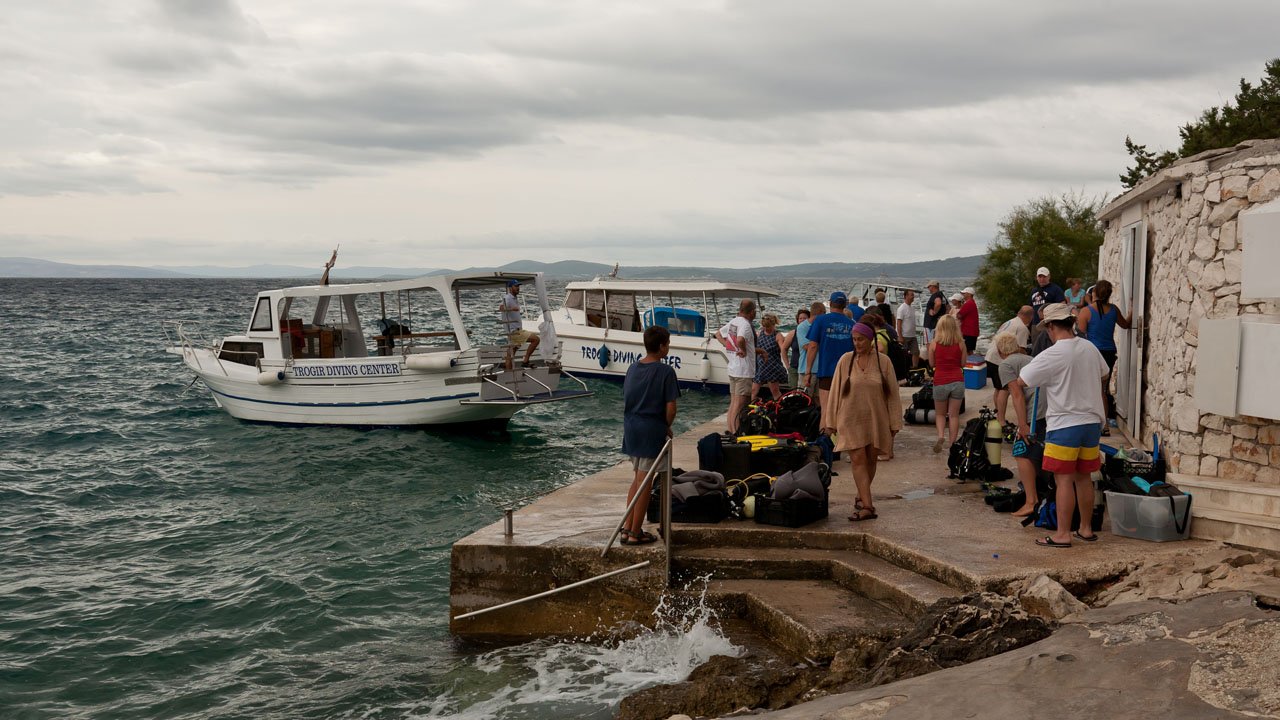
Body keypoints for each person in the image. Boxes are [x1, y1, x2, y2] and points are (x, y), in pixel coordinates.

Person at [1007, 303, 1109, 548]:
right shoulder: (1089, 348)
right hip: (1092, 423)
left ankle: (1062, 534)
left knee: (1063, 480)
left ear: (1051, 326)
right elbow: (1104, 374)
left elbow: (1021, 382)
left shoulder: (1051, 354)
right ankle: (1085, 529)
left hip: (1064, 425)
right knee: (1084, 478)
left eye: (1047, 328)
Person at [822, 322, 902, 522]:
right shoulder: (845, 360)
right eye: (854, 340)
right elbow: (835, 392)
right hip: (850, 419)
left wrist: (894, 423)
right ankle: (868, 506)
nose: (857, 344)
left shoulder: (884, 362)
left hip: (876, 419)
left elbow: (893, 395)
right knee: (857, 459)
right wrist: (830, 421)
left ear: (870, 340)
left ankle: (861, 494)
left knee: (871, 460)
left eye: (861, 340)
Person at [620, 326, 678, 546]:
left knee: (637, 479)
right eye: (668, 343)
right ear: (662, 346)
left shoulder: (632, 368)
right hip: (650, 430)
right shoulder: (665, 372)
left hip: (631, 427)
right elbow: (671, 408)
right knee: (645, 482)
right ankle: (635, 532)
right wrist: (666, 425)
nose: (669, 347)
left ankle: (627, 528)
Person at [999, 333, 1046, 518]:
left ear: (1000, 350)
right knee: (1039, 452)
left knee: (1021, 452)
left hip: (1037, 411)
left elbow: (1016, 395)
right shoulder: (1031, 358)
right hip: (1051, 408)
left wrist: (1022, 424)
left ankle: (1031, 501)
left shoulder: (1006, 364)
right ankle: (1040, 493)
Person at [1076, 280, 1131, 429]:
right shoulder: (1114, 310)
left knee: (1088, 387)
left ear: (1094, 293)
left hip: (1092, 352)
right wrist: (1132, 312)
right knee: (1102, 388)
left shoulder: (1086, 311)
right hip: (1109, 351)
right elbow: (1125, 325)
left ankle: (1087, 421)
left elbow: (1080, 334)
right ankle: (1105, 424)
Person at [715, 299, 762, 434]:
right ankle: (736, 433)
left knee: (733, 403)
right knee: (740, 405)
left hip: (733, 368)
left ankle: (731, 430)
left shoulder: (733, 321)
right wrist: (742, 350)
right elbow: (741, 339)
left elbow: (718, 334)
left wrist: (727, 345)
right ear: (752, 312)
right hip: (743, 371)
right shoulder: (745, 325)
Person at [984, 306, 1034, 426]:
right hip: (1001, 359)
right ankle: (1001, 420)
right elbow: (1020, 349)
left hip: (990, 356)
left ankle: (998, 415)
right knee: (1004, 390)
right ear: (1030, 317)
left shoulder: (1010, 321)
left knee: (998, 388)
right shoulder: (1022, 328)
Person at [804, 292, 855, 407]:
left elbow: (812, 346)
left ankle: (826, 426)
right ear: (845, 305)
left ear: (830, 303)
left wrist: (808, 372)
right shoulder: (852, 324)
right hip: (846, 373)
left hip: (826, 371)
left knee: (826, 411)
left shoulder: (820, 320)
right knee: (843, 410)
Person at [928, 315, 966, 453]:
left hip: (940, 380)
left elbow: (932, 364)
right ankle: (953, 442)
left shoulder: (934, 344)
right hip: (957, 380)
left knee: (940, 414)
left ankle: (940, 436)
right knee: (954, 415)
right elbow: (963, 364)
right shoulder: (961, 343)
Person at [499, 279, 540, 369]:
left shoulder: (514, 298)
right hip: (514, 331)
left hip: (516, 330)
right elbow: (501, 308)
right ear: (510, 288)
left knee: (511, 352)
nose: (518, 288)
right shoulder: (508, 298)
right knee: (536, 339)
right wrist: (511, 309)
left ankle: (507, 368)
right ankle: (525, 361)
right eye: (516, 286)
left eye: (518, 286)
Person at [753, 313, 789, 401]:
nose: (766, 329)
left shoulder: (777, 335)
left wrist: (787, 364)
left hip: (772, 367)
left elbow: (783, 349)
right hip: (761, 367)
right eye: (764, 326)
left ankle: (780, 408)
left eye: (768, 327)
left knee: (775, 391)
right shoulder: (760, 334)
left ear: (773, 325)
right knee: (753, 391)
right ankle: (750, 407)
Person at [799, 301, 826, 394]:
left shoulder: (822, 326)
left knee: (819, 400)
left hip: (821, 370)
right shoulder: (802, 327)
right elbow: (807, 346)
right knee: (805, 399)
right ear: (820, 312)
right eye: (824, 313)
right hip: (806, 370)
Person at [786, 308, 810, 390]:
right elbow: (783, 349)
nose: (802, 320)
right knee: (794, 392)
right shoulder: (793, 333)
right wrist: (787, 366)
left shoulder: (811, 333)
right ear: (797, 320)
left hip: (806, 368)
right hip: (794, 367)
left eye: (805, 318)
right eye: (800, 318)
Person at [895, 288, 920, 368]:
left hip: (912, 335)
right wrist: (900, 336)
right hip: (904, 336)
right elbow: (899, 323)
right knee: (904, 354)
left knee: (916, 352)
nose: (913, 297)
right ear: (906, 296)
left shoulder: (912, 308)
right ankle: (904, 368)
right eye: (911, 295)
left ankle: (915, 367)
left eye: (913, 295)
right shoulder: (901, 308)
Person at [922, 280, 947, 347]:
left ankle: (930, 357)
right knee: (938, 344)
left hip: (930, 325)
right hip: (938, 324)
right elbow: (948, 307)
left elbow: (938, 303)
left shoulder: (935, 295)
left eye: (929, 287)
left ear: (933, 287)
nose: (928, 289)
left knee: (929, 344)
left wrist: (935, 312)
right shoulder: (942, 295)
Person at [957, 286, 979, 354]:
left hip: (968, 331)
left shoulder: (968, 304)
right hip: (972, 330)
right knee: (970, 349)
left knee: (966, 349)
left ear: (969, 294)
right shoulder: (972, 303)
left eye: (964, 293)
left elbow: (959, 315)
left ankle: (967, 362)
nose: (963, 295)